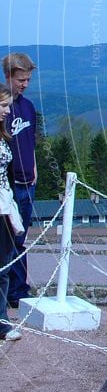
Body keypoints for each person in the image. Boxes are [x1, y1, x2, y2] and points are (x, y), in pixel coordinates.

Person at [2, 52, 37, 307]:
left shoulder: (27, 107)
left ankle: (19, 289)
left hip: (27, 181)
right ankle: (9, 290)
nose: (24, 84)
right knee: (7, 239)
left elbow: (31, 141)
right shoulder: (4, 108)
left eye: (27, 79)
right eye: (20, 79)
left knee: (20, 237)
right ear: (8, 77)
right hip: (9, 184)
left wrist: (35, 169)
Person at [0, 83, 23, 341]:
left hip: (5, 207)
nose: (7, 111)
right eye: (4, 106)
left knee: (4, 267)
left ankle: (1, 322)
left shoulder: (3, 136)